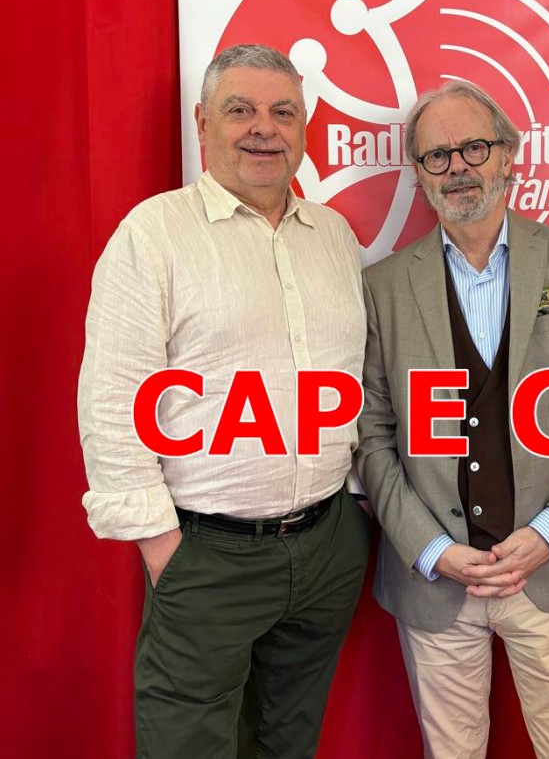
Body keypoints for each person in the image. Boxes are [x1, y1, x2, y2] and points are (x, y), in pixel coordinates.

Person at [78, 44, 371, 759]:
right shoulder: (153, 235)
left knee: (288, 740)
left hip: (327, 545)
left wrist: (355, 507)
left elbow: (355, 379)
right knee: (190, 745)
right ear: (203, 122)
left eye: (283, 112)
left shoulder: (334, 236)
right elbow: (113, 401)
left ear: (305, 128)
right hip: (208, 553)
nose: (263, 128)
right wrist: (164, 550)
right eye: (241, 110)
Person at [356, 80, 549, 758]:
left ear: (508, 154)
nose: (457, 168)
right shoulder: (382, 286)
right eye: (436, 155)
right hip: (436, 584)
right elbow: (372, 436)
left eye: (474, 148)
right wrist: (432, 549)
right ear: (418, 174)